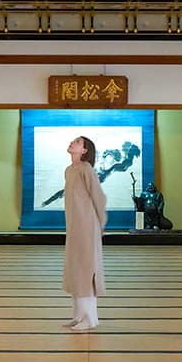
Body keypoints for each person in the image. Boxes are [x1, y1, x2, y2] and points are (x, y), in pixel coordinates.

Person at [62, 135, 106, 331]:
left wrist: (101, 223)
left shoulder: (86, 169)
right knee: (75, 270)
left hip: (87, 226)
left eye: (77, 142)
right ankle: (79, 315)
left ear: (85, 150)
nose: (72, 142)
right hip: (74, 226)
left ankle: (90, 319)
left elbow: (98, 196)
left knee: (85, 271)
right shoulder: (69, 170)